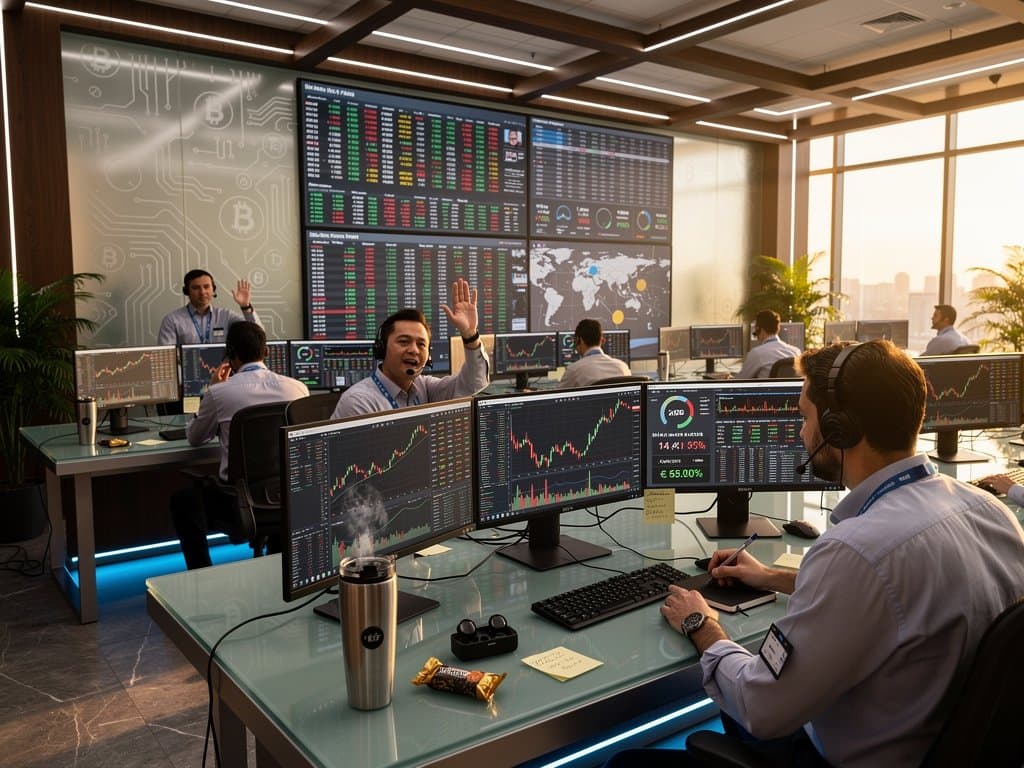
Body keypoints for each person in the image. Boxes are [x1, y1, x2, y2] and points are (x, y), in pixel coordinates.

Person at [606, 339, 1024, 768]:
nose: (803, 433)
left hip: (837, 756)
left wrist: (702, 625)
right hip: (932, 740)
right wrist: (771, 577)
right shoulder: (992, 511)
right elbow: (899, 597)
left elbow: (762, 707)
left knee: (628, 763)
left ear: (840, 429)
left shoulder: (857, 551)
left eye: (806, 417)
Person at [171, 321, 308, 570]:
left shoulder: (219, 393)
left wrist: (211, 389)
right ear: (266, 352)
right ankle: (277, 564)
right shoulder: (298, 388)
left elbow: (195, 437)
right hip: (289, 497)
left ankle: (202, 575)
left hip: (237, 501)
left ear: (230, 354)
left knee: (182, 503)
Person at [331, 278, 489, 418]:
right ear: (382, 348)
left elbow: (473, 383)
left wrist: (470, 334)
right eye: (404, 341)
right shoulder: (359, 402)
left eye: (421, 344)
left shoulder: (424, 387)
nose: (414, 350)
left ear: (428, 356)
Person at [157, 268, 262, 345]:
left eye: (206, 287)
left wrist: (245, 307)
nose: (202, 292)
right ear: (187, 291)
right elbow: (167, 357)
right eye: (196, 288)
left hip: (224, 373)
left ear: (213, 289)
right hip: (188, 373)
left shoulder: (226, 316)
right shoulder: (172, 320)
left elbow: (258, 336)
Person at [557, 318, 631, 388]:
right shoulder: (623, 367)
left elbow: (557, 398)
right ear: (602, 341)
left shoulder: (574, 370)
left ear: (580, 340)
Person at [736, 309, 800, 378]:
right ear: (778, 329)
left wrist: (729, 378)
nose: (756, 336)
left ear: (760, 330)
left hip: (767, 389)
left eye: (755, 333)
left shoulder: (756, 353)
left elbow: (740, 381)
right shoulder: (796, 352)